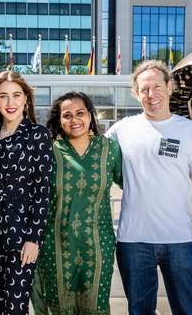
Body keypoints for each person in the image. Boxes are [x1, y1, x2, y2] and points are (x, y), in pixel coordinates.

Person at [105, 60, 192, 315]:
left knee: (189, 310)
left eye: (156, 86)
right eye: (144, 89)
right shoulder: (121, 131)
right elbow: (91, 158)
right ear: (136, 94)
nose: (151, 94)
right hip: (132, 241)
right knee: (140, 311)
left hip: (178, 240)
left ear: (169, 87)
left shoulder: (191, 132)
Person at [31, 91, 123, 315]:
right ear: (59, 121)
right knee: (59, 309)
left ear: (90, 116)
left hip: (98, 245)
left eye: (80, 113)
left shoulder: (110, 149)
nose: (74, 120)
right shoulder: (48, 150)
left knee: (96, 309)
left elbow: (134, 185)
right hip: (55, 246)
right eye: (67, 115)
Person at [0, 71, 53, 315]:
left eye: (16, 95)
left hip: (21, 234)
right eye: (3, 96)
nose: (10, 103)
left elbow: (43, 191)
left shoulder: (37, 135)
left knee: (16, 307)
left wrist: (34, 239)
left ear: (26, 99)